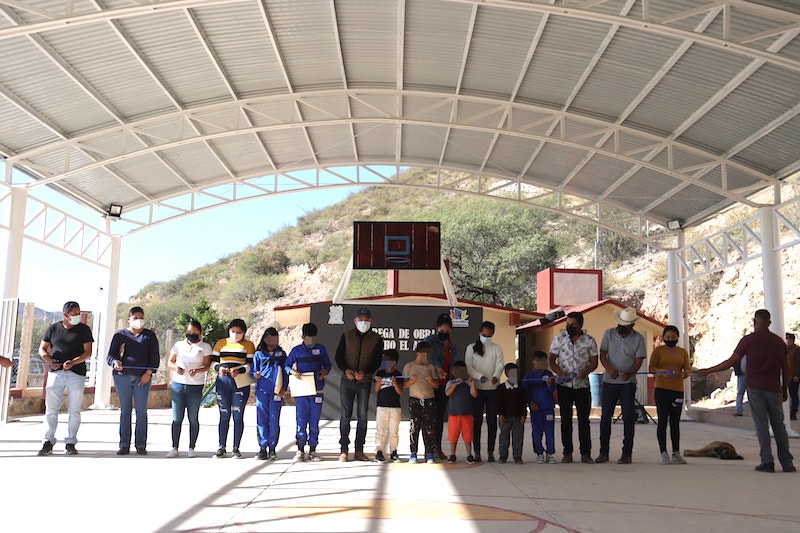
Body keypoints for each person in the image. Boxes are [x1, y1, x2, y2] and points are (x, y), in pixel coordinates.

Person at [697, 309, 795, 473]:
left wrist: (708, 371)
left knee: (761, 425)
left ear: (753, 321)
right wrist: (785, 389)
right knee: (779, 425)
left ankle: (767, 461)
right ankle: (787, 463)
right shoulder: (779, 342)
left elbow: (731, 361)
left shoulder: (748, 340)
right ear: (769, 323)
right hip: (774, 388)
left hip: (755, 387)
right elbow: (786, 368)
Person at [37, 301, 94, 456]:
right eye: (74, 314)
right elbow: (42, 349)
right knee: (51, 410)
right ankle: (48, 441)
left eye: (79, 313)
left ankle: (70, 442)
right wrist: (48, 360)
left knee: (74, 410)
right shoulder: (53, 329)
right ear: (65, 315)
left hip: (76, 374)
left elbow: (88, 352)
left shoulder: (84, 330)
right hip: (55, 373)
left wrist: (73, 362)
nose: (77, 316)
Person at [106, 306, 160, 455]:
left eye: (141, 317)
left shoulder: (149, 336)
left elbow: (155, 357)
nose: (139, 320)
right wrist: (115, 363)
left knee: (141, 411)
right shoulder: (119, 335)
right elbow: (110, 355)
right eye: (135, 317)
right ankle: (124, 445)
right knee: (125, 411)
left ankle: (141, 445)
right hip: (122, 377)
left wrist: (148, 373)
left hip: (142, 378)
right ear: (129, 319)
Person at [597, 306, 646, 465]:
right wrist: (609, 370)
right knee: (605, 417)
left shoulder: (638, 338)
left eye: (627, 324)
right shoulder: (608, 334)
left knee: (628, 417)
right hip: (609, 382)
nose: (623, 326)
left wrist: (629, 373)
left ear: (632, 325)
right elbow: (602, 354)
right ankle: (603, 452)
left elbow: (639, 360)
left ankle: (627, 453)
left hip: (628, 384)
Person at [548, 311, 598, 464]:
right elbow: (551, 360)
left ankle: (585, 453)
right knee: (565, 420)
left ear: (581, 325)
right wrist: (560, 373)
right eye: (568, 324)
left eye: (573, 325)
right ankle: (567, 453)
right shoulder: (559, 339)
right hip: (564, 386)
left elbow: (594, 362)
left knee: (584, 421)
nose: (570, 327)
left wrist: (586, 372)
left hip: (582, 386)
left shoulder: (589, 341)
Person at [334, 307, 383, 462]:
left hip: (365, 381)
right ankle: (344, 450)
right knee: (345, 416)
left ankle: (359, 450)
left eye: (366, 320)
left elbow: (376, 360)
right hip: (346, 380)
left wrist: (366, 372)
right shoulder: (346, 336)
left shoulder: (377, 338)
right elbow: (338, 356)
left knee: (362, 416)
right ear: (355, 320)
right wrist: (346, 370)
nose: (363, 322)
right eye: (360, 319)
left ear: (371, 321)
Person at [285, 322, 331, 462]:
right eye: (308, 337)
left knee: (314, 421)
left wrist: (324, 372)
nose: (311, 340)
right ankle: (300, 449)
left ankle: (312, 449)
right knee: (301, 420)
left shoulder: (321, 349)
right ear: (302, 336)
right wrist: (293, 371)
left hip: (317, 390)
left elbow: (328, 365)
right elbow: (286, 365)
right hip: (302, 390)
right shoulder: (296, 350)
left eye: (313, 337)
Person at [166, 319, 212, 458]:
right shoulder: (178, 345)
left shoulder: (205, 347)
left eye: (194, 332)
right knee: (177, 418)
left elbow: (207, 365)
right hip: (178, 383)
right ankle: (174, 447)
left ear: (200, 332)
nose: (191, 335)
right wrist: (177, 368)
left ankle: (191, 447)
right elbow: (169, 362)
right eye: (189, 332)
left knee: (193, 417)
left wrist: (197, 370)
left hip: (195, 385)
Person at [211, 318, 255, 459]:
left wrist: (240, 371)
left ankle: (236, 448)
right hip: (223, 382)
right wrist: (219, 368)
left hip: (240, 382)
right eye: (233, 331)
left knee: (237, 415)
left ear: (244, 333)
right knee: (224, 415)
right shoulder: (221, 343)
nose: (236, 334)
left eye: (239, 332)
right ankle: (221, 447)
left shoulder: (248, 345)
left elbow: (249, 364)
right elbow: (213, 361)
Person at [648, 325, 691, 465]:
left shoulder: (683, 352)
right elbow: (652, 368)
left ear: (677, 337)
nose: (670, 339)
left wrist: (685, 374)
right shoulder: (658, 351)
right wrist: (662, 372)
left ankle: (676, 452)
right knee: (662, 421)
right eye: (668, 337)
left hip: (677, 389)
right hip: (661, 389)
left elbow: (688, 369)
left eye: (673, 337)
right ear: (663, 337)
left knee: (675, 422)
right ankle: (663, 453)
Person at [465, 321, 504, 463]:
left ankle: (490, 451)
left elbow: (500, 365)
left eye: (489, 335)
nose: (486, 337)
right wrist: (478, 376)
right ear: (479, 333)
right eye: (483, 335)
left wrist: (496, 376)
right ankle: (477, 451)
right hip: (477, 389)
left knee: (492, 421)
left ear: (492, 334)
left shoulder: (496, 348)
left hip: (492, 390)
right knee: (477, 421)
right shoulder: (471, 348)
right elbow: (469, 366)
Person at [424, 313, 459, 461]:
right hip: (431, 384)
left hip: (444, 386)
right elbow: (427, 359)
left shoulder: (453, 347)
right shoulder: (428, 341)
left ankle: (437, 448)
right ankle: (428, 450)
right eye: (441, 331)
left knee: (439, 418)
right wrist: (437, 368)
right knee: (428, 419)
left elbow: (452, 364)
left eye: (447, 331)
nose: (444, 334)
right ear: (436, 328)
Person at [253, 327, 288, 460]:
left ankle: (272, 448)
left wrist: (284, 388)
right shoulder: (259, 354)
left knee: (274, 420)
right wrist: (255, 375)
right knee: (262, 420)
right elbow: (253, 371)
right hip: (262, 391)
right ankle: (262, 448)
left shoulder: (282, 354)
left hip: (277, 392)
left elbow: (285, 372)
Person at [403, 341, 439, 463]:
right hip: (415, 400)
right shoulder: (409, 366)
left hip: (429, 400)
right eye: (426, 354)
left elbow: (436, 385)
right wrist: (411, 381)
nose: (428, 357)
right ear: (418, 354)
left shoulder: (430, 367)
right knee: (414, 427)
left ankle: (429, 453)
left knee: (429, 428)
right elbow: (404, 384)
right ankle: (413, 453)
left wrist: (430, 380)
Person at [523, 351, 555, 464]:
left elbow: (552, 390)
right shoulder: (528, 376)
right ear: (534, 363)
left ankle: (550, 453)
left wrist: (550, 384)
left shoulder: (549, 374)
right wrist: (530, 403)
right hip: (535, 409)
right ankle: (539, 453)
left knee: (549, 431)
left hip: (548, 408)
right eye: (540, 362)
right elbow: (525, 391)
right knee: (536, 431)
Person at [373, 349, 404, 462]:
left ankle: (394, 451)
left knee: (393, 431)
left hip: (395, 407)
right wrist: (378, 382)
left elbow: (400, 391)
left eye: (387, 359)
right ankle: (379, 451)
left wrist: (395, 383)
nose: (384, 361)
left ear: (394, 362)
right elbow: (376, 390)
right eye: (383, 359)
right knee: (380, 430)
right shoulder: (380, 373)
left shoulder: (398, 374)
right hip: (382, 406)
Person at [444, 360, 478, 464]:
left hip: (467, 414)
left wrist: (472, 385)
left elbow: (474, 395)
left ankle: (469, 455)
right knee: (453, 436)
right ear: (453, 372)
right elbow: (447, 393)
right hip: (453, 414)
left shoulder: (468, 382)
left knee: (468, 436)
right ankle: (452, 454)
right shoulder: (450, 382)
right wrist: (455, 384)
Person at [497, 362, 528, 464]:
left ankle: (517, 457)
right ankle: (502, 456)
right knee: (504, 437)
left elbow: (524, 403)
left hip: (518, 417)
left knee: (518, 438)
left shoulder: (521, 388)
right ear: (506, 374)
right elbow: (499, 403)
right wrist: (500, 414)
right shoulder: (501, 388)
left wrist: (523, 415)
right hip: (504, 417)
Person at [787, 333, 800, 421]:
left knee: (794, 395)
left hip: (794, 376)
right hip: (788, 375)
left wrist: (797, 375)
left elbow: (798, 363)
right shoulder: (787, 350)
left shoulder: (797, 350)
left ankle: (793, 413)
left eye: (787, 339)